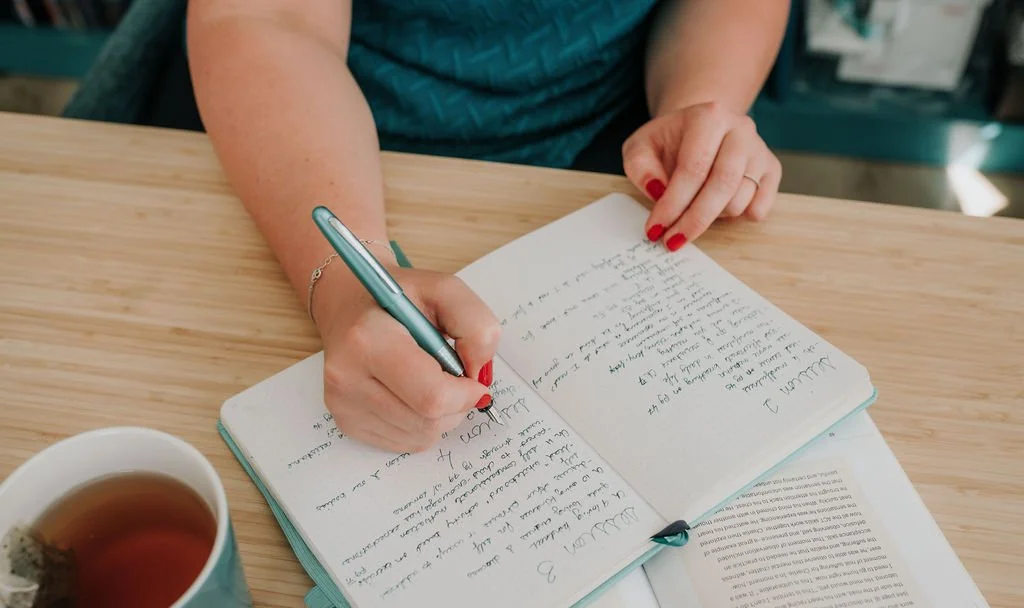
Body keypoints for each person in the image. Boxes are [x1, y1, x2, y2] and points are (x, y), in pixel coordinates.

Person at [185, 0, 789, 453]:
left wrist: (700, 99)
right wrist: (344, 284)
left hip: (616, 142)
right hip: (327, 143)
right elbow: (269, 17)